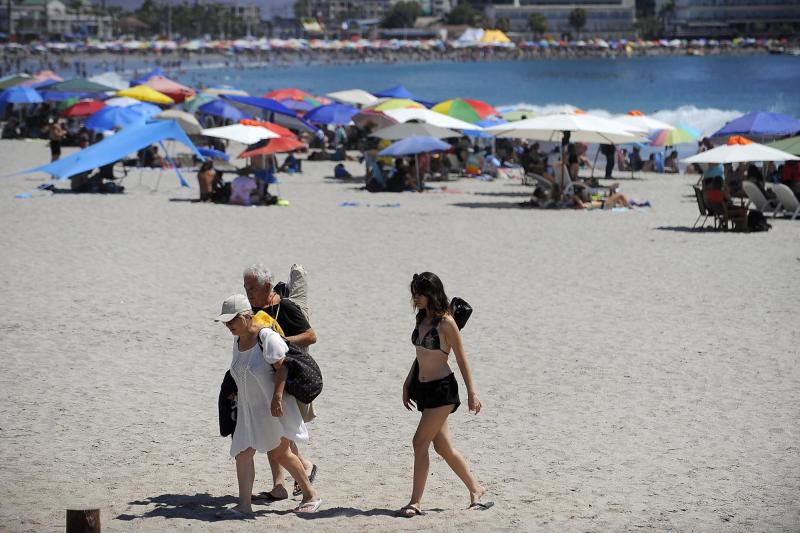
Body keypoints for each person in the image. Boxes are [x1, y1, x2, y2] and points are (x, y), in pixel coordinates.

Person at [214, 294, 321, 518]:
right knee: (242, 453)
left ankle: (310, 495)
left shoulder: (266, 337)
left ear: (245, 316)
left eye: (232, 320)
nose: (228, 325)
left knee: (280, 453)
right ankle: (244, 505)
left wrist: (278, 398)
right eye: (225, 322)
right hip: (248, 409)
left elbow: (283, 368)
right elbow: (241, 370)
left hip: (272, 406)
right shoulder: (237, 340)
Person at [397, 272, 492, 518]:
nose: (416, 298)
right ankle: (476, 489)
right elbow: (420, 354)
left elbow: (461, 358)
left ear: (432, 294)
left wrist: (472, 392)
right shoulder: (421, 318)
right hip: (424, 389)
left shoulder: (447, 323)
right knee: (443, 447)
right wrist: (408, 382)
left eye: (420, 294)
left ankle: (415, 502)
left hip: (443, 390)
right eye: (414, 293)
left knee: (419, 442)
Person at [242, 264, 318, 501]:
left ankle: (305, 466)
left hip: (287, 376)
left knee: (278, 432)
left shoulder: (285, 307)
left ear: (267, 286)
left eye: (252, 287)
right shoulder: (254, 309)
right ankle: (279, 485)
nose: (248, 292)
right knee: (271, 430)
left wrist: (280, 340)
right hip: (265, 377)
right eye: (245, 287)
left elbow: (311, 335)